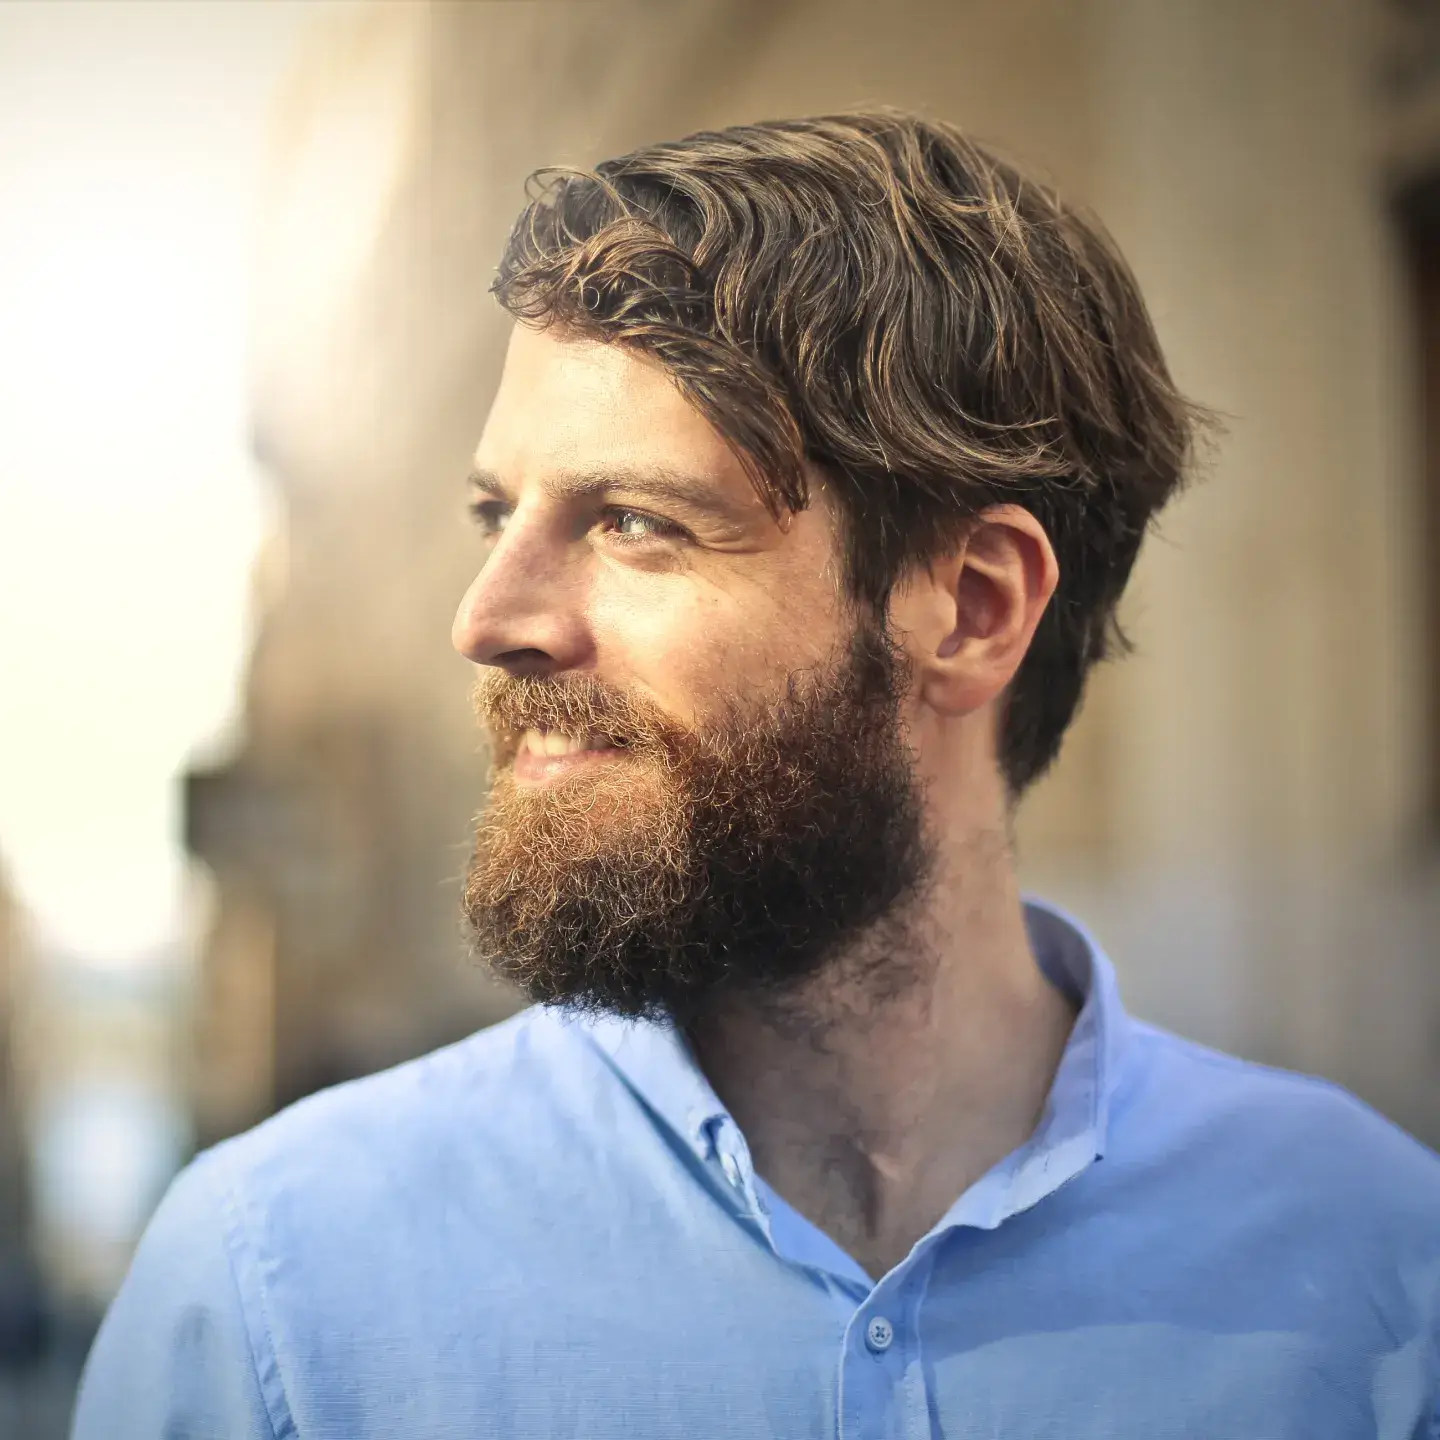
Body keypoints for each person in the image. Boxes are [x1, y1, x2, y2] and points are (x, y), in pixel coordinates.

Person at [73, 111, 1440, 1439]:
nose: (489, 619)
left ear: (969, 606)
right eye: (499, 515)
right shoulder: (275, 1294)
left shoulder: (1382, 1278)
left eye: (634, 522)